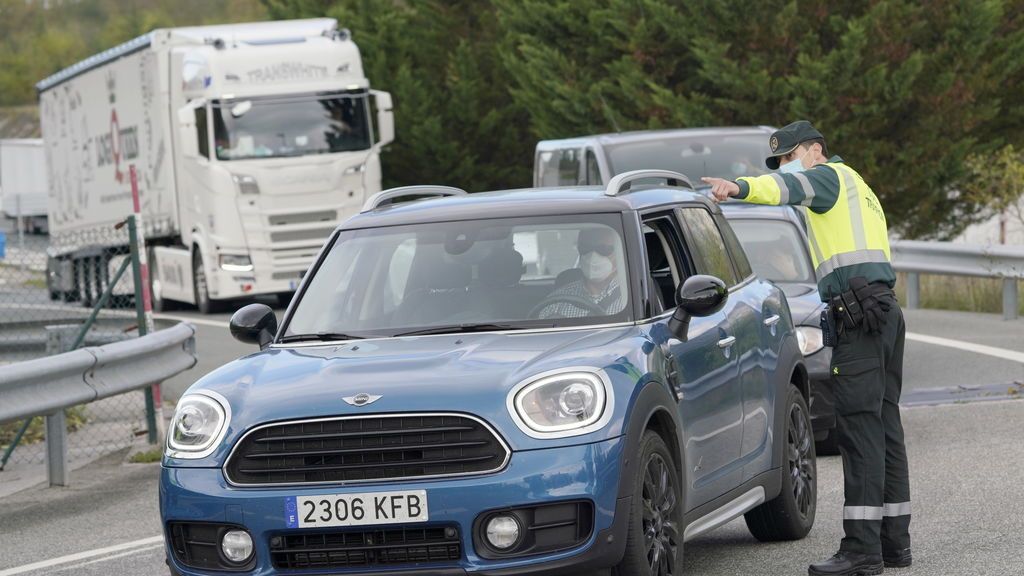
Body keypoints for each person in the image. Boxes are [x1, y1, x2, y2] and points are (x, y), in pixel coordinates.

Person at [703, 120, 911, 576]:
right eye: (780, 161)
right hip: (881, 312)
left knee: (859, 431)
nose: (785, 166)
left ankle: (862, 550)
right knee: (884, 427)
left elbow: (785, 189)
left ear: (815, 149)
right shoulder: (859, 186)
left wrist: (738, 187)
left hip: (860, 317)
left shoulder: (827, 178)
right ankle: (894, 542)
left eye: (789, 156)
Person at [538, 227, 624, 319]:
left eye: (603, 249)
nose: (593, 255)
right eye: (585, 248)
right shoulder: (555, 303)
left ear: (620, 252)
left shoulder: (630, 299)